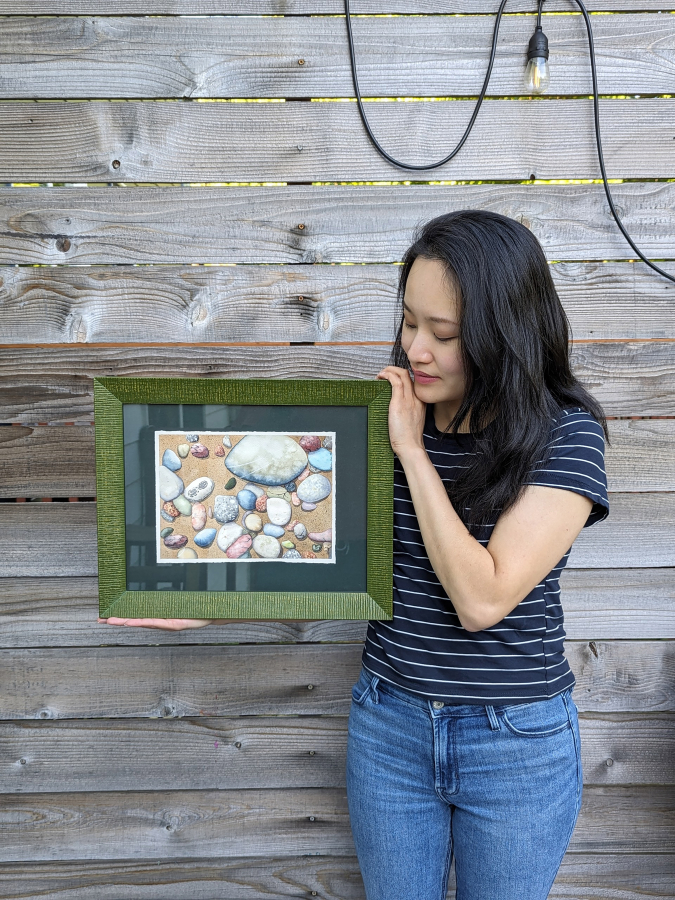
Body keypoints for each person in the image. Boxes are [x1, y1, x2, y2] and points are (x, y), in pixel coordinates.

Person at [99, 209, 610, 900]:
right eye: (408, 322)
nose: (415, 350)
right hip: (390, 723)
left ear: (504, 334)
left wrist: (410, 450)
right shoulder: (382, 414)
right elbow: (320, 548)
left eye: (444, 334)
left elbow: (482, 599)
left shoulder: (566, 435)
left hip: (513, 739)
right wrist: (205, 597)